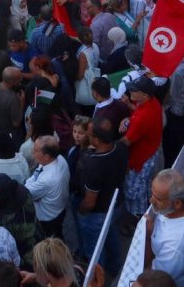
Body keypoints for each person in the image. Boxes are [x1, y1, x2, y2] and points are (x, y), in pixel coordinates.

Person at [77, 117, 128, 276]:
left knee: (95, 250)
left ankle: (97, 278)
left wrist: (81, 210)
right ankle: (114, 267)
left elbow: (90, 202)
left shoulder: (94, 165)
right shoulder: (120, 147)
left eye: (89, 134)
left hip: (97, 214)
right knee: (111, 235)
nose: (86, 135)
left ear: (96, 140)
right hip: (116, 204)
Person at [0, 173, 42, 269]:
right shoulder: (21, 191)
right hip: (38, 235)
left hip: (26, 254)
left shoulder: (4, 222)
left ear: (1, 197)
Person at [121, 76, 164, 219]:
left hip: (140, 158)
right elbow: (138, 113)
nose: (130, 91)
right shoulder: (152, 102)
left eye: (134, 90)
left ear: (144, 94)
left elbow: (126, 141)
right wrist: (129, 108)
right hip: (150, 152)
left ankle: (137, 218)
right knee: (145, 186)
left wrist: (107, 146)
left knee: (134, 191)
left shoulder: (143, 117)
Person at [24, 135, 70, 238]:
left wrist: (28, 182)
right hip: (59, 210)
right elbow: (37, 172)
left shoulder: (48, 179)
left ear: (46, 156)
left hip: (48, 219)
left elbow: (27, 192)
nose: (32, 152)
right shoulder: (59, 159)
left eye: (36, 150)